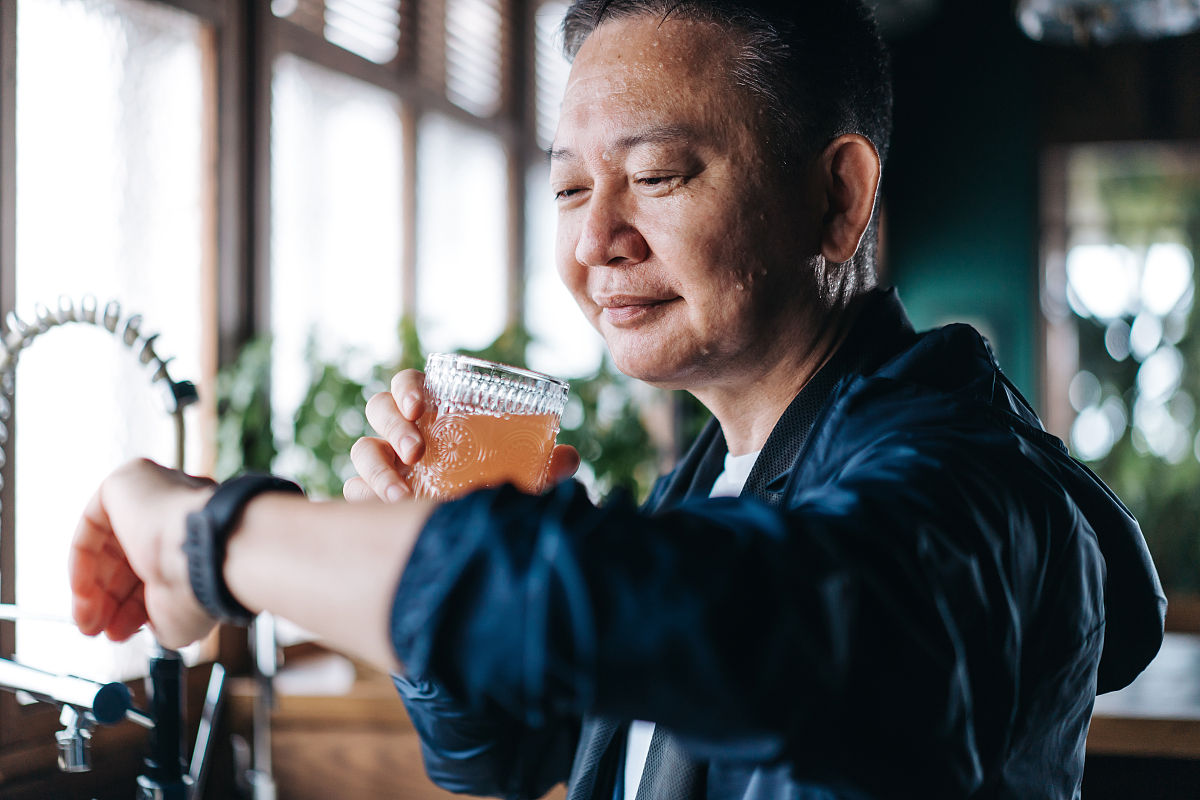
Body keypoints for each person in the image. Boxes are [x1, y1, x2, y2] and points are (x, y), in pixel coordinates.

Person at [69, 1, 1165, 798]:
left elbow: (761, 625)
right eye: (571, 188)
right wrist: (443, 552)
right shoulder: (715, 468)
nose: (596, 242)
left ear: (837, 196)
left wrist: (212, 538)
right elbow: (508, 755)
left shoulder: (958, 482)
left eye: (657, 175)